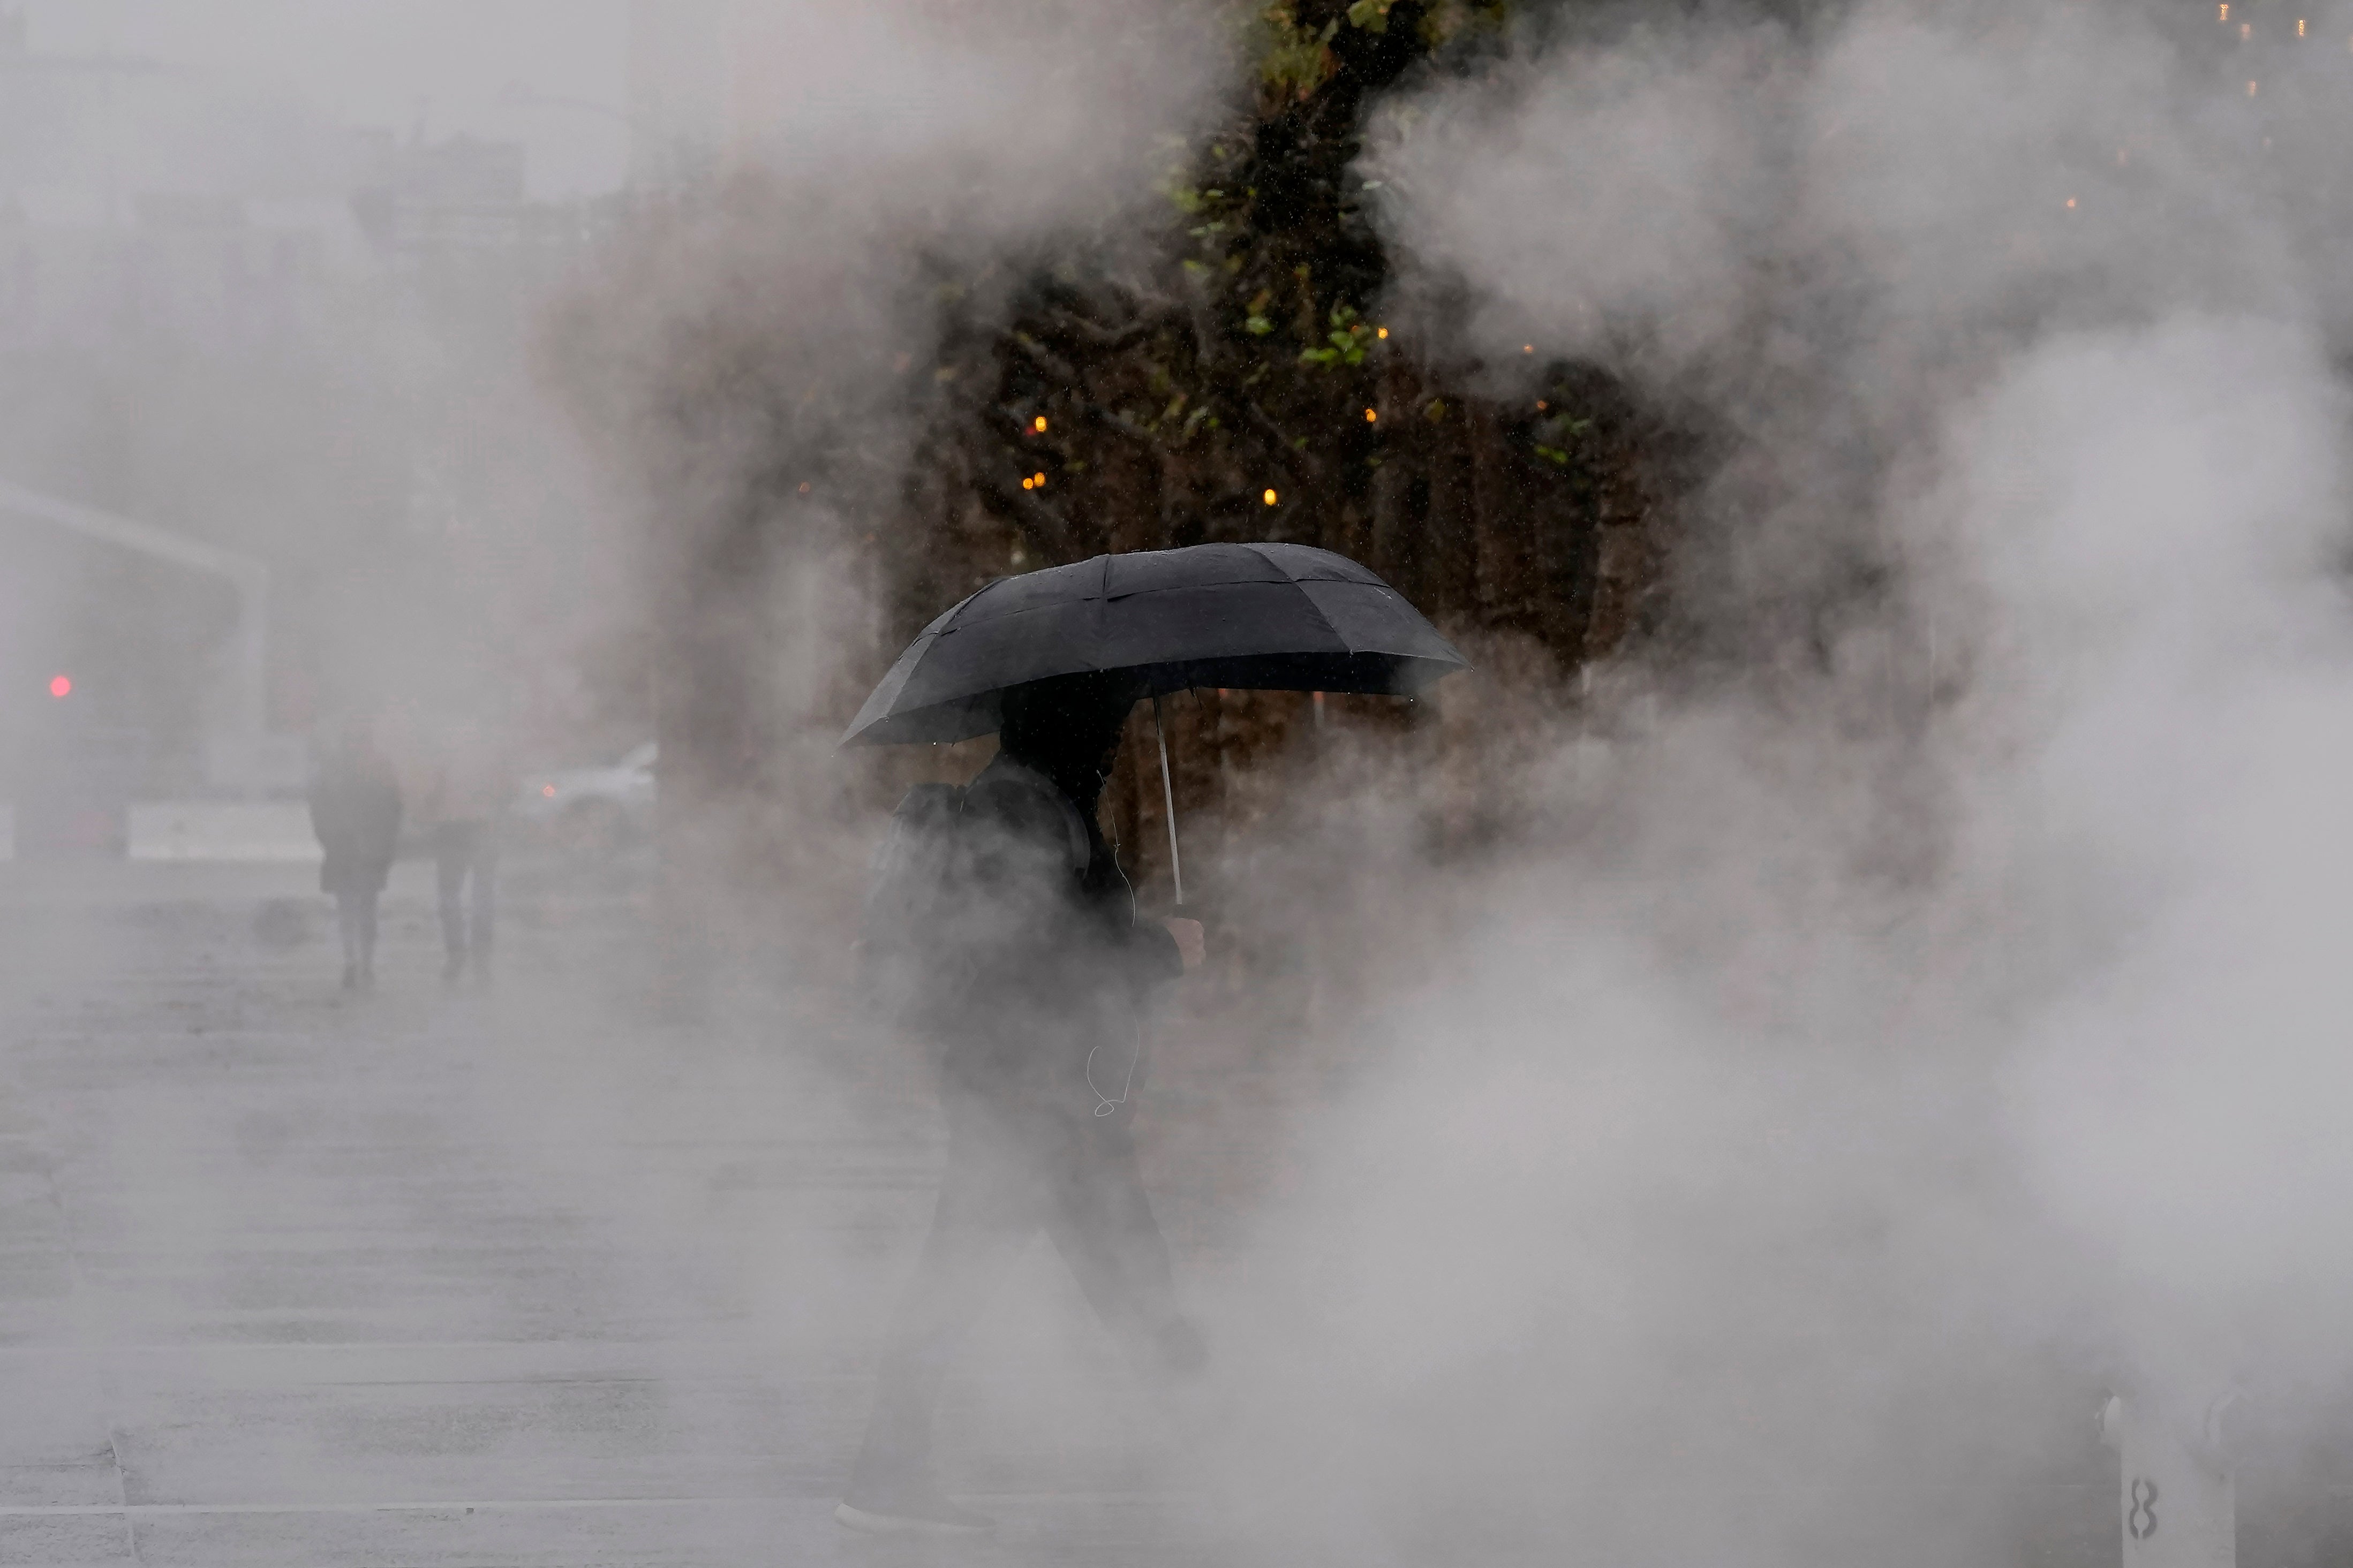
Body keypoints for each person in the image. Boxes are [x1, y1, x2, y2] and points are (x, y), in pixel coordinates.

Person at [838, 673, 1208, 1537]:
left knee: (1119, 1277)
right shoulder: (1023, 809)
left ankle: (1217, 1448)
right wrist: (1162, 949)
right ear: (1065, 721)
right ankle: (1228, 1455)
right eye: (1103, 718)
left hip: (1041, 1093)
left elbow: (1060, 934)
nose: (1115, 737)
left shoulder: (1045, 798)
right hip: (1027, 1098)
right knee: (1101, 1278)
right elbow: (1037, 955)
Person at [309, 716, 402, 991]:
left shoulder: (331, 768)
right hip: (370, 848)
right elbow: (394, 809)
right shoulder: (381, 767)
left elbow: (318, 809)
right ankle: (366, 963)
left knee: (346, 908)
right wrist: (387, 844)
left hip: (341, 847)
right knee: (367, 909)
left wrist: (327, 839)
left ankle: (351, 960)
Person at [419, 722, 508, 982]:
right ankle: (481, 958)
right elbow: (510, 790)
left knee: (449, 894)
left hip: (450, 829)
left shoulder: (443, 758)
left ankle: (456, 953)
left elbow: (430, 795)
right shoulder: (492, 756)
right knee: (483, 894)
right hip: (484, 827)